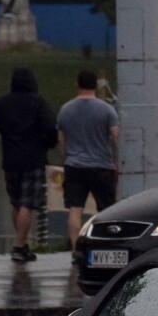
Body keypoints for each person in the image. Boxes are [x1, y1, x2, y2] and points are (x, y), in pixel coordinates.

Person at [0, 67, 58, 262]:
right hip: (33, 160)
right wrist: (49, 143)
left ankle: (21, 244)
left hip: (10, 161)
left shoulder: (1, 104)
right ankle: (18, 245)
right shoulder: (38, 103)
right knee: (27, 204)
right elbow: (50, 127)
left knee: (16, 203)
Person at [57, 69, 119, 255]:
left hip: (74, 165)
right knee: (106, 210)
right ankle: (105, 246)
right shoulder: (107, 110)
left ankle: (76, 249)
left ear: (77, 84)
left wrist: (66, 158)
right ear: (95, 85)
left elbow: (62, 139)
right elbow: (116, 137)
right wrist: (117, 161)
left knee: (75, 208)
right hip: (101, 166)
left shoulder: (66, 109)